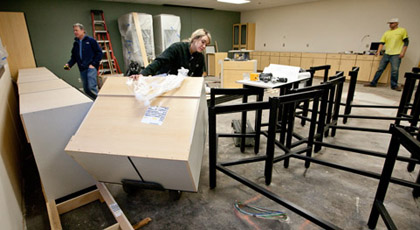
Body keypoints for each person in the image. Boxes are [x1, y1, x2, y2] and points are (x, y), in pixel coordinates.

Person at [132, 28, 211, 78]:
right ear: (194, 39)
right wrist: (142, 74)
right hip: (164, 81)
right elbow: (159, 61)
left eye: (206, 45)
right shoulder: (177, 48)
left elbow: (197, 77)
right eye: (203, 42)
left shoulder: (200, 57)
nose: (204, 46)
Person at [364, 18, 408, 91]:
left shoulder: (402, 31)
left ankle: (394, 85)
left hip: (396, 54)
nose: (390, 25)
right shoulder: (387, 33)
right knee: (380, 69)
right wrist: (378, 51)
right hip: (387, 54)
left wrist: (403, 52)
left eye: (392, 23)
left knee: (395, 70)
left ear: (397, 23)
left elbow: (406, 42)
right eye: (389, 23)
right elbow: (382, 43)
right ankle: (373, 83)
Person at [64, 23, 103, 99]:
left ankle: (100, 102)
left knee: (91, 86)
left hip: (91, 68)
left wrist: (93, 64)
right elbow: (74, 57)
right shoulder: (76, 43)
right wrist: (69, 64)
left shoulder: (91, 41)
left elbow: (99, 53)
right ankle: (93, 102)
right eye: (74, 31)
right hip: (82, 68)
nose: (75, 32)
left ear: (82, 30)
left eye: (76, 30)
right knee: (86, 89)